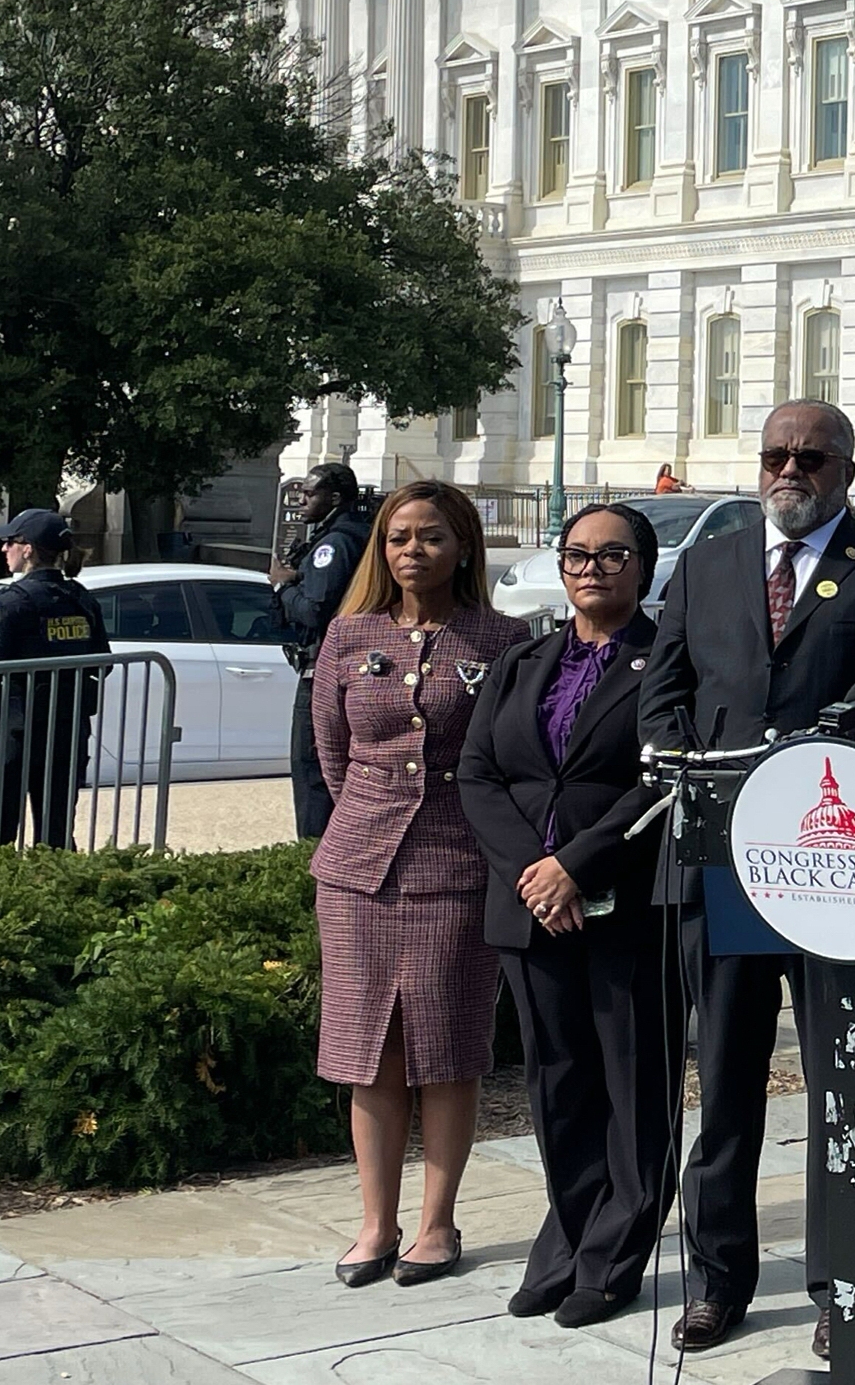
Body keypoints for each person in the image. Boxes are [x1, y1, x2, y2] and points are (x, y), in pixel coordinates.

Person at [635, 399, 855, 1361]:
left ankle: (840, 1289)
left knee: (848, 1083)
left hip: (835, 871)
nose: (789, 470)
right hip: (724, 862)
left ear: (846, 468)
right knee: (724, 1085)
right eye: (775, 454)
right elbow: (665, 686)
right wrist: (680, 759)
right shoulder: (711, 562)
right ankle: (717, 1281)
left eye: (810, 456)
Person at [310, 479, 530, 1290]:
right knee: (369, 1050)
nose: (413, 551)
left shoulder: (502, 639)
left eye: (430, 536)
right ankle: (376, 1222)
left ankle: (437, 1224)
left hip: (458, 863)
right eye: (399, 537)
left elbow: (511, 754)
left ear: (463, 545)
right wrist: (370, 818)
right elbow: (331, 754)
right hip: (359, 870)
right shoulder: (347, 634)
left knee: (444, 1048)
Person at [458, 502, 671, 1329]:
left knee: (630, 1081)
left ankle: (616, 1256)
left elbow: (661, 779)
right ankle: (567, 1238)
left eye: (612, 555)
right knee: (558, 1084)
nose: (592, 569)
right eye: (577, 554)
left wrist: (575, 865)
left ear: (644, 570)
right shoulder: (525, 660)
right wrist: (531, 875)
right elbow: (479, 773)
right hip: (532, 909)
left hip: (624, 901)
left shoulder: (665, 663)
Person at [0, 508, 110, 849]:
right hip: (67, 730)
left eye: (10, 542)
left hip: (15, 730)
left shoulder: (14, 601)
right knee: (55, 834)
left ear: (27, 549)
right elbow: (103, 661)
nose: (3, 549)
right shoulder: (82, 599)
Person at [272, 463, 377, 839]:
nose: (302, 499)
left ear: (334, 498)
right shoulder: (354, 535)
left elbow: (316, 610)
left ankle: (313, 860)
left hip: (324, 671)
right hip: (348, 664)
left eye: (310, 492)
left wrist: (284, 588)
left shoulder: (335, 542)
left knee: (313, 771)